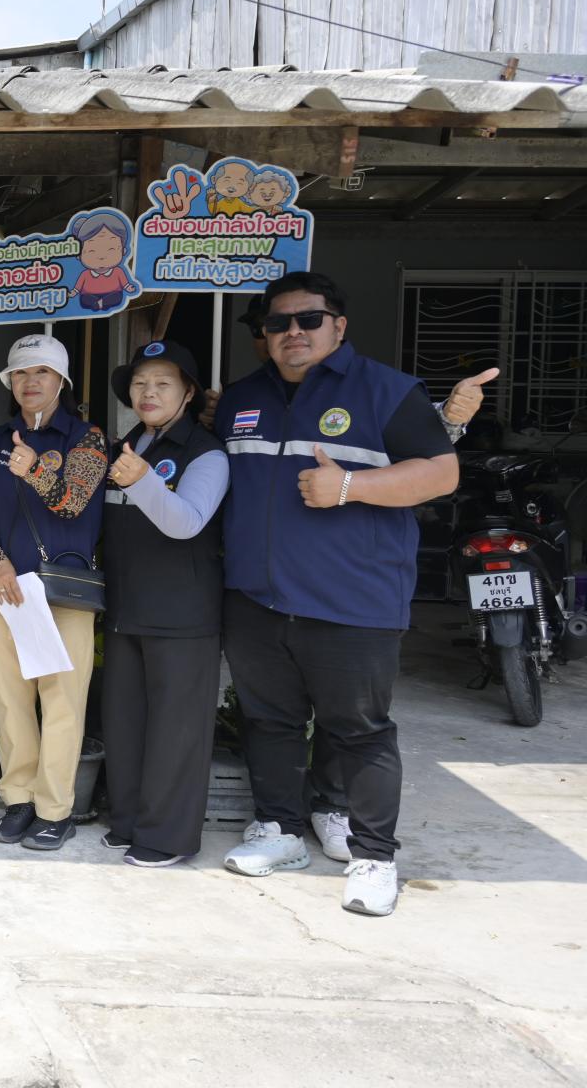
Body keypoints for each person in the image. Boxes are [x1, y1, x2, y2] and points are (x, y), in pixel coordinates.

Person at [202, 293, 494, 863]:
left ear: (338, 325)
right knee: (269, 720)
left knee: (357, 728)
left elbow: (440, 473)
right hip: (256, 597)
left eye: (309, 319)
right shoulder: (241, 396)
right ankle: (280, 829)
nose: (294, 331)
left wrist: (349, 486)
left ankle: (367, 849)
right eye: (279, 322)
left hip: (353, 597)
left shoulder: (387, 390)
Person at [0, 333, 108, 852]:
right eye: (21, 373)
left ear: (61, 381)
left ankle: (55, 810)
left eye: (42, 372)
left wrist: (35, 470)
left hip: (63, 590)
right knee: (9, 699)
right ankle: (19, 799)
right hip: (3, 588)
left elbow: (73, 502)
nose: (31, 382)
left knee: (62, 699)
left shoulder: (87, 439)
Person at [100, 339, 229, 868]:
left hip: (181, 614)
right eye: (139, 383)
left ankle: (168, 836)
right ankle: (128, 820)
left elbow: (186, 523)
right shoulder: (126, 444)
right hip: (125, 607)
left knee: (176, 731)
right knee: (124, 722)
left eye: (162, 383)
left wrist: (144, 481)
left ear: (189, 392)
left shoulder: (207, 452)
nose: (148, 392)